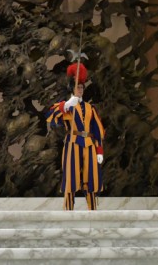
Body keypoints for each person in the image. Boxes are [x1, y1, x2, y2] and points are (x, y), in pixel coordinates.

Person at [46, 60, 105, 210]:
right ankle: (68, 210)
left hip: (89, 144)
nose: (80, 90)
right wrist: (66, 105)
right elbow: (51, 116)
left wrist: (99, 150)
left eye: (81, 87)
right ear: (72, 89)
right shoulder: (68, 106)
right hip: (73, 143)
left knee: (91, 178)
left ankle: (93, 210)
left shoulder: (90, 108)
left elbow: (97, 130)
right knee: (71, 178)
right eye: (77, 87)